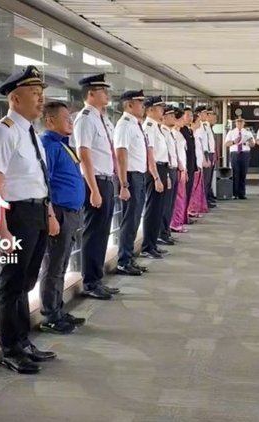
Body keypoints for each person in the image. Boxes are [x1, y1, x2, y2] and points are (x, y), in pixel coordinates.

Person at [0, 65, 57, 374]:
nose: (41, 101)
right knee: (11, 283)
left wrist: (49, 213)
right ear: (15, 98)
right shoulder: (3, 131)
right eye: (35, 95)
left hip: (37, 213)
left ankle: (23, 341)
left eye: (42, 95)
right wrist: (0, 227)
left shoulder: (31, 133)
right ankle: (10, 349)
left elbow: (38, 177)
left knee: (26, 282)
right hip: (16, 217)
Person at [39, 102, 86, 335]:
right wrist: (50, 215)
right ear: (50, 121)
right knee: (54, 265)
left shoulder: (63, 145)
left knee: (62, 264)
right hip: (58, 213)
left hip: (71, 213)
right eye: (66, 118)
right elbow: (45, 182)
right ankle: (50, 315)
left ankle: (57, 309)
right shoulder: (49, 145)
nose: (70, 122)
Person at [72, 73, 120, 300]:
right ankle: (90, 282)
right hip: (96, 181)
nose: (107, 94)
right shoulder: (85, 119)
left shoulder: (103, 119)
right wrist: (93, 189)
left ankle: (97, 278)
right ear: (90, 93)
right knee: (93, 232)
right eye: (103, 90)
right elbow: (84, 154)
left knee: (102, 233)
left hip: (107, 179)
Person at [113, 89, 148, 276]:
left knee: (135, 220)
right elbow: (121, 153)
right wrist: (124, 183)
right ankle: (123, 261)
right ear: (129, 105)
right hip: (131, 177)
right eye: (140, 103)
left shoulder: (136, 124)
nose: (143, 107)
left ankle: (129, 258)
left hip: (139, 176)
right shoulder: (124, 124)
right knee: (129, 220)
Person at [141, 96, 167, 259]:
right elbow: (150, 154)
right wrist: (156, 177)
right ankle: (147, 246)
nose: (162, 111)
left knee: (158, 209)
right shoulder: (149, 127)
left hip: (162, 168)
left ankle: (153, 243)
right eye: (159, 108)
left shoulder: (157, 127)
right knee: (152, 209)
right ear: (150, 110)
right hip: (154, 170)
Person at [158, 105, 179, 245]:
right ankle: (161, 233)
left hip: (173, 169)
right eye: (170, 116)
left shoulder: (170, 132)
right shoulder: (161, 132)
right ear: (163, 117)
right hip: (165, 169)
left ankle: (166, 231)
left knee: (170, 204)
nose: (174, 118)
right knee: (164, 205)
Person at [224, 118, 255, 200]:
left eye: (241, 122)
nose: (240, 123)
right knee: (235, 173)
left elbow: (253, 144)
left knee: (243, 173)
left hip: (245, 153)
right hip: (235, 153)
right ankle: (235, 193)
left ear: (244, 123)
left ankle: (242, 193)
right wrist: (234, 142)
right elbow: (226, 143)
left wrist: (250, 141)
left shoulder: (248, 132)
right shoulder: (231, 132)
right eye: (238, 122)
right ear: (235, 123)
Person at [170, 108, 189, 232]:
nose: (183, 121)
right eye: (181, 119)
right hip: (178, 167)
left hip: (182, 166)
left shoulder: (179, 133)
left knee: (181, 196)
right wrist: (181, 166)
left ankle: (178, 221)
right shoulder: (173, 133)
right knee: (177, 197)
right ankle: (174, 223)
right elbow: (175, 153)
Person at [180, 107, 197, 220]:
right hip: (185, 165)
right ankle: (182, 216)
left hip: (191, 164)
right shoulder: (181, 131)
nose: (190, 118)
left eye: (191, 115)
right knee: (184, 191)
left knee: (189, 190)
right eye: (187, 115)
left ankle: (186, 214)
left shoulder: (189, 130)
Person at [203, 108, 217, 206]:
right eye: (211, 115)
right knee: (206, 179)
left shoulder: (209, 127)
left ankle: (208, 196)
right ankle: (205, 199)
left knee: (209, 178)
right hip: (207, 154)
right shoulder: (203, 127)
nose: (214, 118)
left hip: (211, 154)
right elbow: (205, 144)